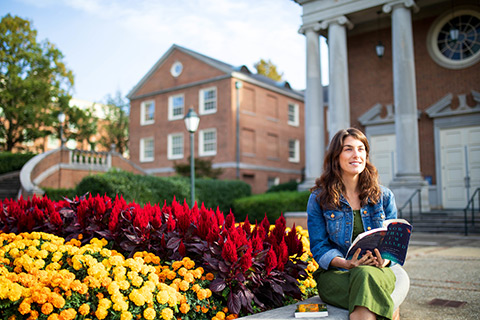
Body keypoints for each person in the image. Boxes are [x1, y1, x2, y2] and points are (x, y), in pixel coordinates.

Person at [307, 128, 398, 320]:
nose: (356, 155)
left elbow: (394, 244)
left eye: (361, 149)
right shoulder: (319, 198)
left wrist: (386, 260)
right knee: (363, 280)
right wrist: (347, 263)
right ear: (336, 157)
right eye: (348, 149)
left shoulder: (384, 196)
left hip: (377, 272)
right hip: (337, 275)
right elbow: (319, 247)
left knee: (365, 274)